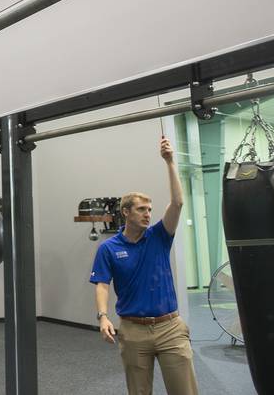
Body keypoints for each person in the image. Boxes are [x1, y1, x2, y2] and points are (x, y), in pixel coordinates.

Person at [89, 137, 198, 395]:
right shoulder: (108, 248)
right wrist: (103, 316)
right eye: (141, 209)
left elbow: (178, 203)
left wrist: (170, 161)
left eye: (150, 209)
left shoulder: (159, 236)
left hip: (170, 327)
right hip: (133, 330)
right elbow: (102, 284)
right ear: (126, 212)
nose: (148, 214)